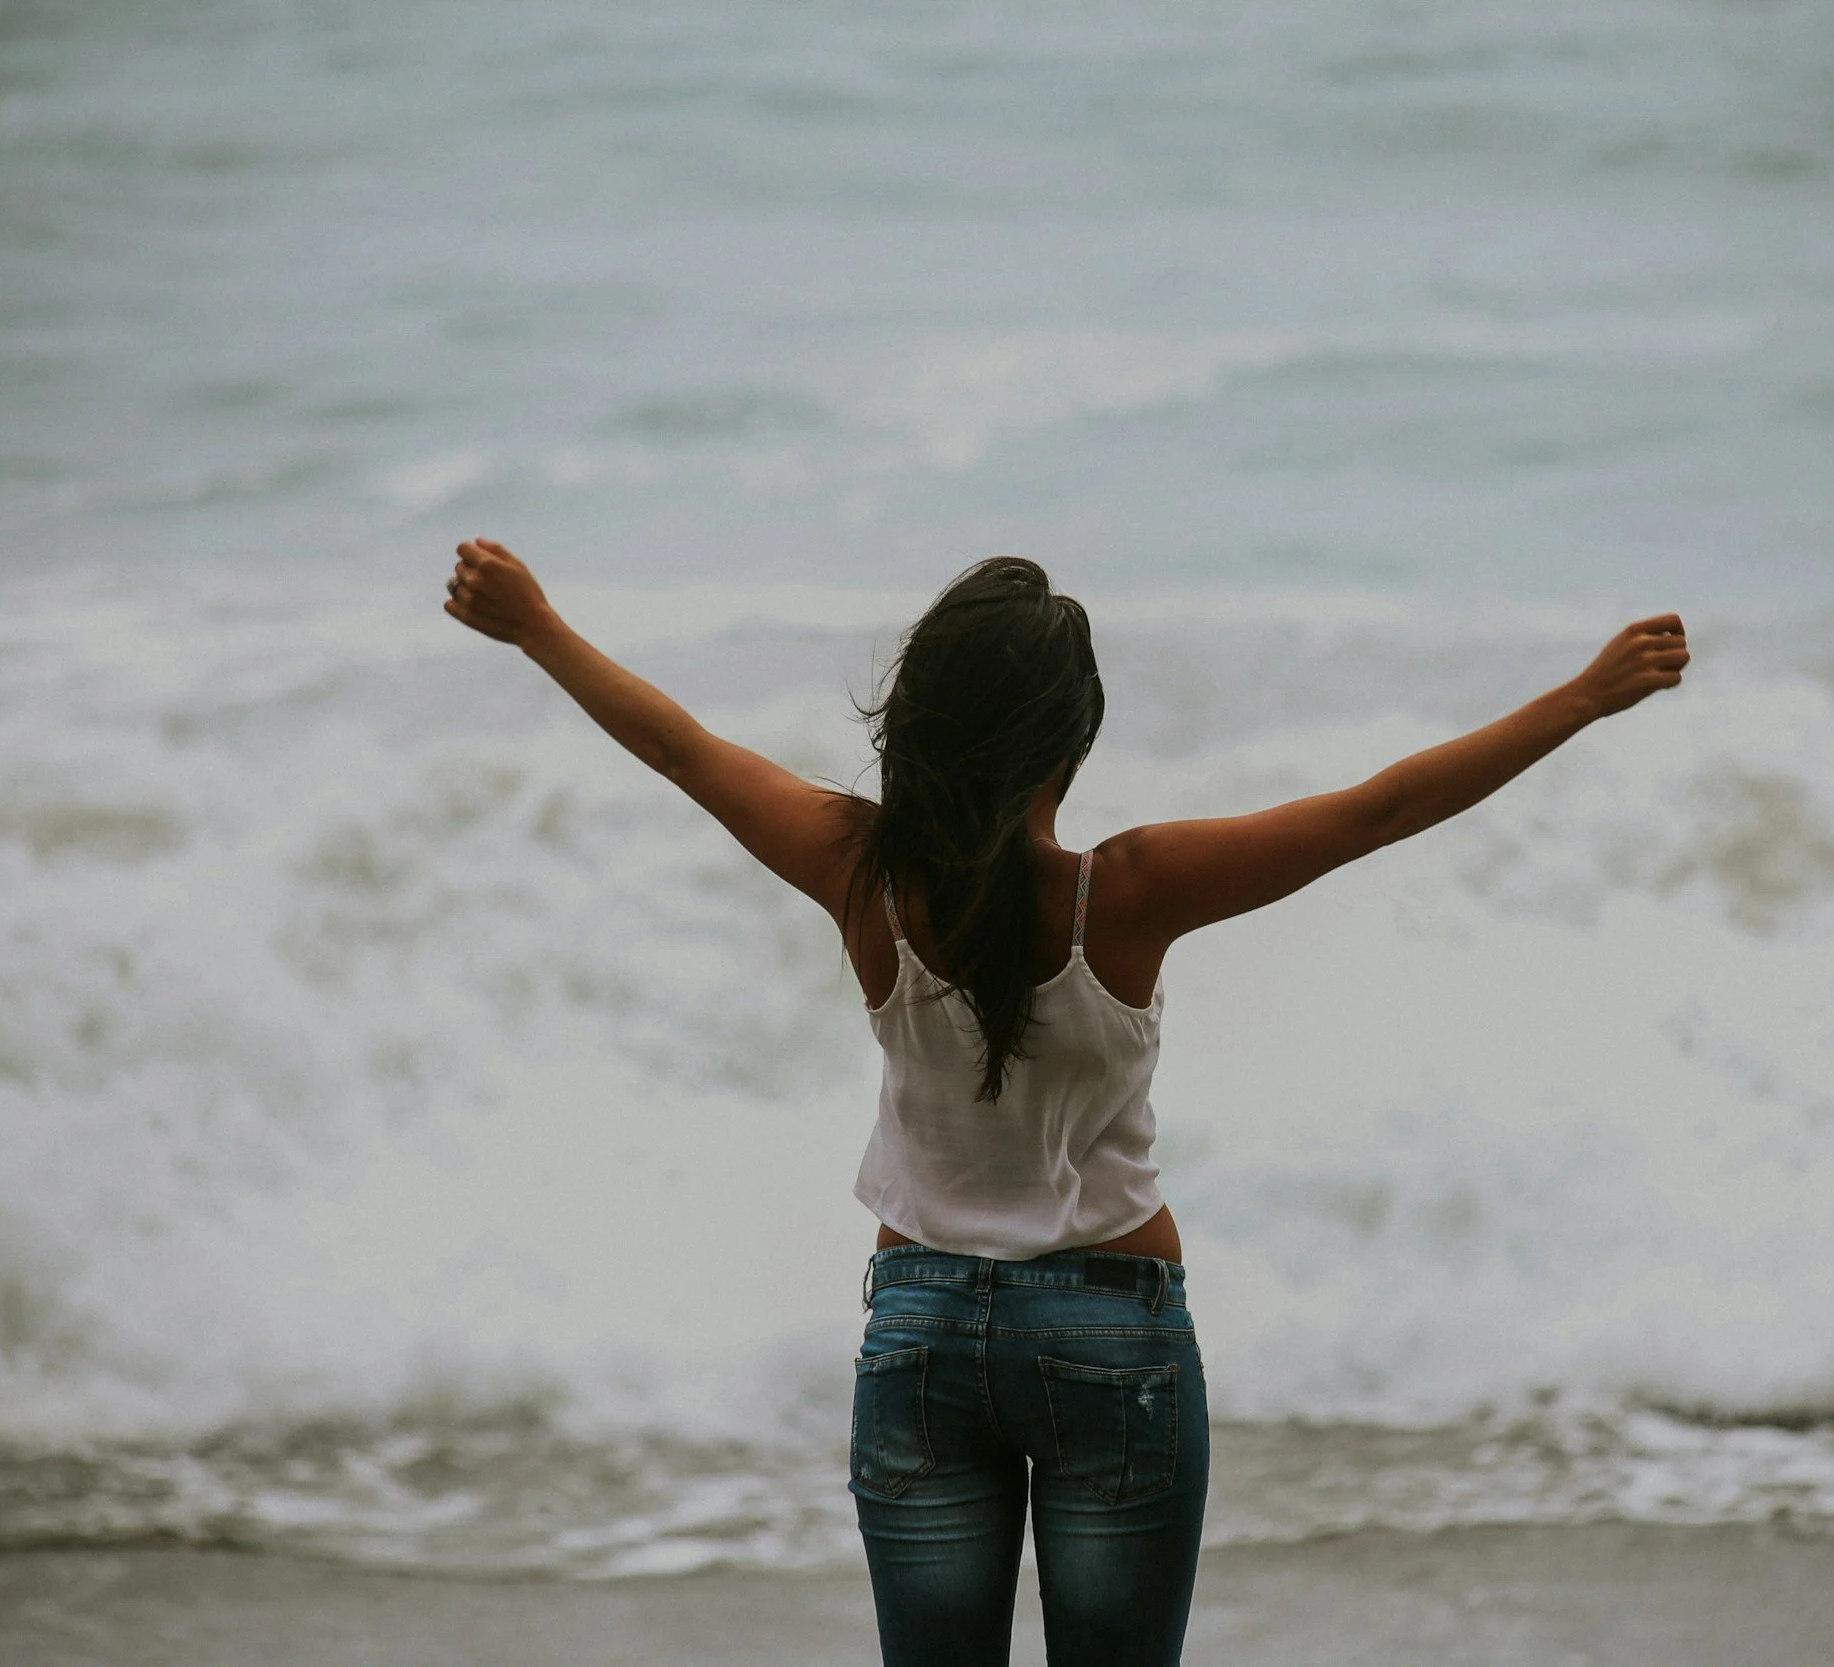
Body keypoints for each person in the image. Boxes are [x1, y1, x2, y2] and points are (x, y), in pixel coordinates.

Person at [441, 540, 1689, 1666]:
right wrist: (1582, 696)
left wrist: (537, 624)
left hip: (919, 1329)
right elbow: (1376, 810)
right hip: (1111, 1332)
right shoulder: (1129, 889)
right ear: (1071, 736)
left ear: (919, 724)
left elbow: (678, 747)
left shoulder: (858, 871)